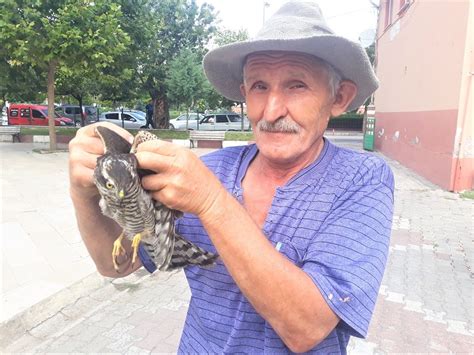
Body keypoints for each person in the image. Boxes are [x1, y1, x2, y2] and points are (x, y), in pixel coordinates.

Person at [68, 1, 394, 353]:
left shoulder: (362, 180)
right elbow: (118, 265)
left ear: (339, 97)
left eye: (296, 86)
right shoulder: (212, 169)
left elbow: (307, 328)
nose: (271, 111)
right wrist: (84, 190)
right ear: (244, 94)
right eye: (258, 87)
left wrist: (211, 202)